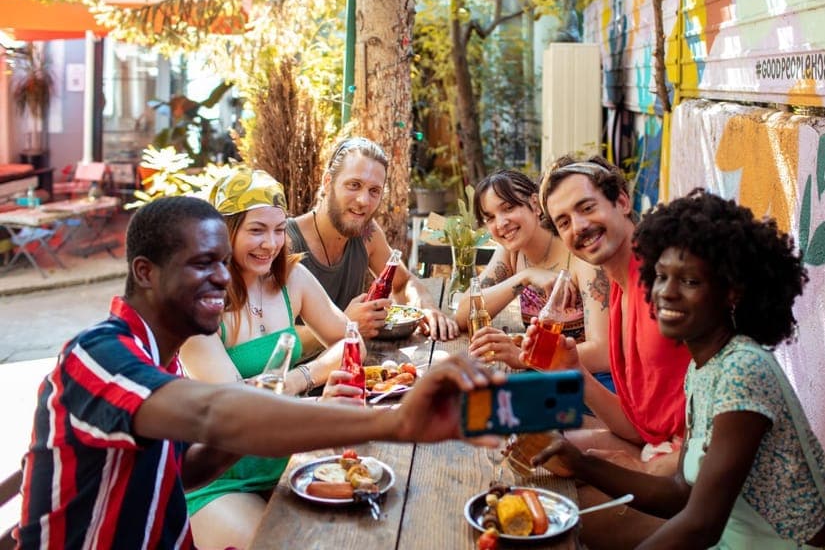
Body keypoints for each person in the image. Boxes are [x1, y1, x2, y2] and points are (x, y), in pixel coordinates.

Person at [15, 196, 503, 549]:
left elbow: (187, 467)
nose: (224, 277)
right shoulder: (99, 354)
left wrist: (313, 410)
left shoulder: (154, 356)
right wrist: (395, 423)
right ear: (146, 272)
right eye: (203, 263)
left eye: (222, 263)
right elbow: (215, 411)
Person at [531, 190, 825, 549]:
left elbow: (700, 525)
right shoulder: (703, 368)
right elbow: (680, 492)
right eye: (661, 276)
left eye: (690, 281)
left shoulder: (743, 369)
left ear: (732, 292)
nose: (667, 292)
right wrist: (581, 464)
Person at [177, 167, 362, 549]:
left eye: (279, 229)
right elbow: (241, 410)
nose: (271, 243)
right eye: (256, 230)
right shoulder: (197, 309)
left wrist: (303, 379)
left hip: (291, 460)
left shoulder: (293, 279)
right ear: (223, 232)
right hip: (219, 477)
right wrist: (310, 380)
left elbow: (352, 342)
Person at [534, 155, 690, 472]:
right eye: (563, 222)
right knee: (533, 444)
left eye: (587, 207)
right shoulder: (619, 290)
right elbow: (639, 427)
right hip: (658, 449)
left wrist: (639, 472)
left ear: (621, 201)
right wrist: (574, 370)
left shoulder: (668, 284)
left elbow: (717, 440)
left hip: (690, 472)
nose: (579, 227)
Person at [287, 137, 457, 340]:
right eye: (354, 185)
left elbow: (402, 283)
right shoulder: (285, 243)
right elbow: (267, 341)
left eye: (374, 191)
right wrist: (344, 325)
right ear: (327, 183)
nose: (363, 201)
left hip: (355, 362)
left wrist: (426, 307)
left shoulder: (368, 234)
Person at [454, 170, 611, 385]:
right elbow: (463, 314)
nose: (500, 224)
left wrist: (525, 358)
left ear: (535, 204)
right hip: (544, 375)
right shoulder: (513, 252)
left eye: (508, 208)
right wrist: (524, 277)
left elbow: (603, 353)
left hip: (592, 382)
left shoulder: (580, 257)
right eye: (489, 217)